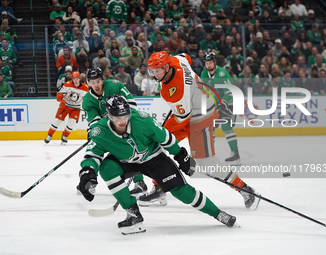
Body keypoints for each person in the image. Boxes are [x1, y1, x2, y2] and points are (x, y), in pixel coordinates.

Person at [78, 94, 239, 235]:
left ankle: (218, 214)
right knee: (107, 168)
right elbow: (92, 154)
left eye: (125, 116)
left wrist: (180, 155)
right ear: (108, 116)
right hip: (126, 162)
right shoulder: (99, 131)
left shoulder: (141, 119)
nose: (122, 121)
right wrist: (88, 171)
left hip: (154, 158)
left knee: (181, 192)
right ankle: (133, 214)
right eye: (117, 118)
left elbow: (165, 137)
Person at [147, 51, 260, 210]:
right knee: (158, 147)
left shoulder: (174, 92)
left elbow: (182, 118)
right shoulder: (176, 60)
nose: (154, 74)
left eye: (157, 70)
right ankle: (159, 187)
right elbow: (186, 56)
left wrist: (162, 132)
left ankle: (245, 189)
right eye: (153, 70)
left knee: (207, 163)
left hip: (200, 118)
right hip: (190, 110)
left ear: (167, 67)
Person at [82, 67, 147, 197]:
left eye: (98, 81)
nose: (96, 85)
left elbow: (132, 105)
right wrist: (95, 134)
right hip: (107, 130)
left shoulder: (115, 85)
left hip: (125, 124)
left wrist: (125, 124)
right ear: (88, 83)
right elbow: (94, 122)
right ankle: (90, 180)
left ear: (103, 80)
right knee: (93, 151)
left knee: (131, 150)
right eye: (92, 82)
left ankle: (140, 182)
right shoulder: (88, 100)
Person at [201, 52, 242, 165]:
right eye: (206, 63)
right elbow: (205, 90)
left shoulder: (222, 74)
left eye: (210, 63)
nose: (208, 65)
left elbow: (229, 93)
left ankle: (236, 156)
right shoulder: (204, 73)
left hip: (230, 103)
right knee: (210, 129)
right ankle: (209, 155)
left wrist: (222, 104)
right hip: (217, 103)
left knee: (226, 126)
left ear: (214, 62)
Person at [44, 71, 89, 145]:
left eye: (77, 78)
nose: (75, 81)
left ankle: (64, 136)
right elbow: (59, 94)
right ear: (72, 79)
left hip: (75, 108)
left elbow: (87, 99)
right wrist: (61, 100)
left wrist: (87, 105)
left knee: (72, 124)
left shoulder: (85, 88)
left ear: (79, 79)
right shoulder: (67, 85)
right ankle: (49, 135)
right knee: (57, 121)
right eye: (74, 79)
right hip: (65, 106)